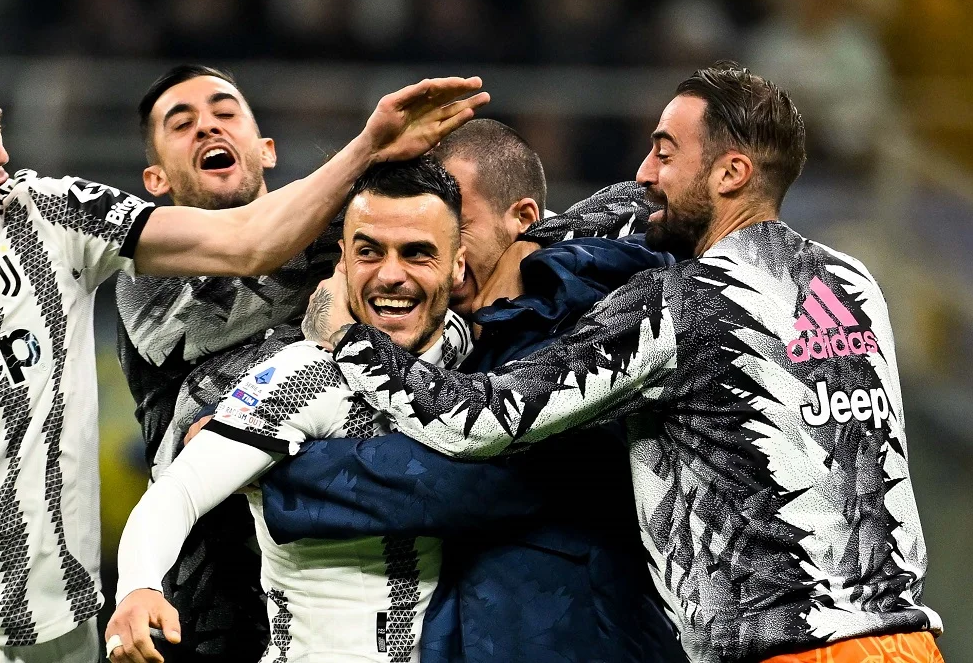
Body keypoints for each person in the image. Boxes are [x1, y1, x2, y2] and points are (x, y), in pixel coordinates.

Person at [0, 43, 485, 663]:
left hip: (63, 634)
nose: (0, 155)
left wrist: (369, 152)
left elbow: (250, 241)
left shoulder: (52, 214)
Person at [302, 62, 945, 663]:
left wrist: (352, 339)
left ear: (731, 173)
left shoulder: (681, 306)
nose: (643, 172)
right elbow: (625, 211)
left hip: (785, 651)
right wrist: (518, 240)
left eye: (664, 153)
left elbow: (483, 419)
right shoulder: (853, 282)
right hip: (905, 639)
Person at [258, 120, 683, 662]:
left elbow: (471, 480)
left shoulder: (588, 320)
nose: (438, 250)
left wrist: (268, 462)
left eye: (456, 225)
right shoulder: (466, 337)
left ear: (523, 220)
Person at [107, 156, 473, 663]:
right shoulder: (303, 376)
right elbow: (178, 493)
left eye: (417, 253)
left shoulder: (469, 348)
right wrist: (138, 586)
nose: (391, 275)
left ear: (458, 265)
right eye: (369, 252)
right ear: (342, 261)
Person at [115, 64, 334, 662]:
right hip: (212, 586)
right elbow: (238, 285)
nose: (207, 126)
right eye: (181, 123)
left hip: (333, 567)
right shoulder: (142, 271)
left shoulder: (344, 240)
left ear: (266, 150)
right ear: (156, 179)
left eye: (225, 112)